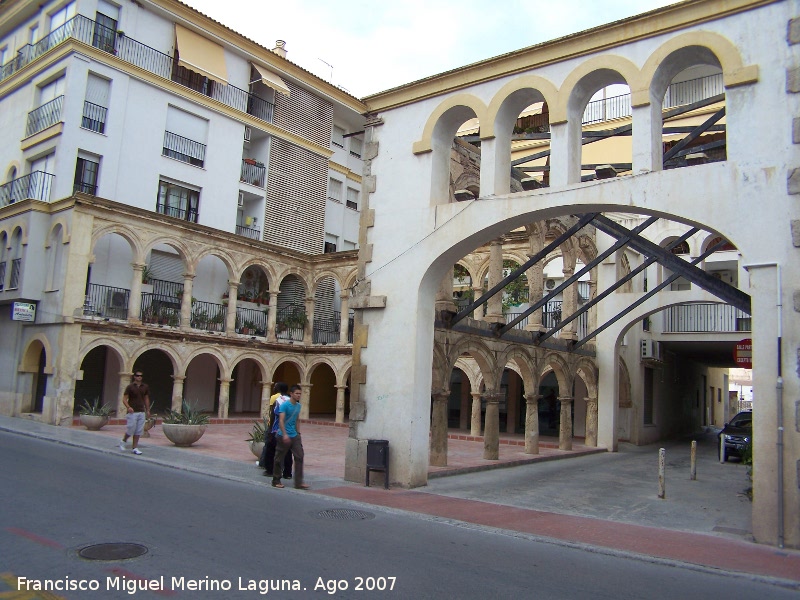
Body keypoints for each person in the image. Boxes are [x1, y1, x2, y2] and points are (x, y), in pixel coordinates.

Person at [272, 385, 309, 489]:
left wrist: (298, 433)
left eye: (300, 394)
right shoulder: (284, 405)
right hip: (283, 435)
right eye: (297, 393)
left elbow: (297, 419)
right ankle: (276, 480)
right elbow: (281, 421)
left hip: (294, 435)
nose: (299, 395)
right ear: (291, 394)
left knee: (299, 456)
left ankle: (298, 482)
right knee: (279, 458)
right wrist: (284, 434)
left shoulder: (298, 406)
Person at [261, 382, 293, 478]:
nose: (274, 387)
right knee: (287, 452)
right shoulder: (291, 401)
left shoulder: (277, 400)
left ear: (278, 388)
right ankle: (287, 473)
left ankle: (269, 470)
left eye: (275, 386)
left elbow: (273, 415)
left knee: (270, 450)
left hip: (277, 430)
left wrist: (271, 430)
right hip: (289, 430)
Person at [119, 371, 150, 455]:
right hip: (132, 412)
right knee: (131, 428)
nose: (139, 377)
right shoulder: (130, 387)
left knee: (139, 430)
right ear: (134, 377)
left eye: (141, 376)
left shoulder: (145, 387)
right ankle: (124, 440)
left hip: (141, 411)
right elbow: (124, 399)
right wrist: (128, 407)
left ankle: (135, 447)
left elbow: (146, 398)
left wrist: (147, 409)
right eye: (137, 375)